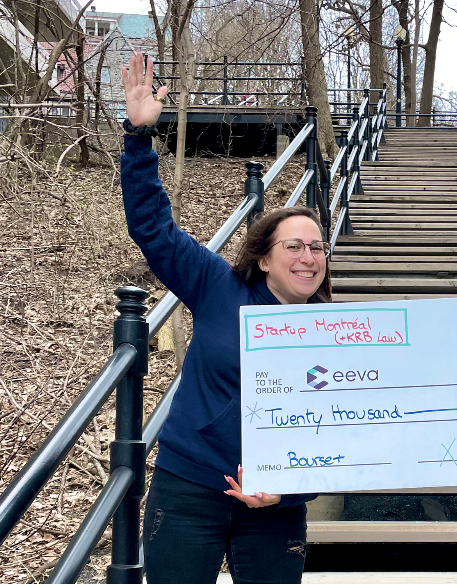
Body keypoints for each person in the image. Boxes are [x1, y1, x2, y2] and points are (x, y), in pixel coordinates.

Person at [120, 50, 327, 584]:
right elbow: (154, 231)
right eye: (295, 246)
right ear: (264, 255)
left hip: (275, 504)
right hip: (190, 488)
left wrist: (293, 489)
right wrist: (140, 138)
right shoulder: (218, 286)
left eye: (318, 248)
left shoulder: (336, 333)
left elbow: (343, 433)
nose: (308, 257)